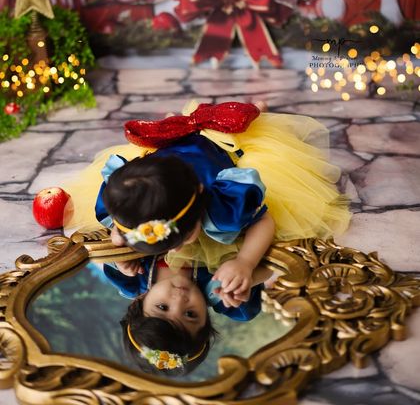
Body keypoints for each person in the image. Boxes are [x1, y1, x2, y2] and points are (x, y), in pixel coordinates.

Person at [64, 100, 351, 302]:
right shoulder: (122, 191)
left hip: (223, 148)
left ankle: (257, 110)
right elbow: (118, 229)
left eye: (178, 243)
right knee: (174, 134)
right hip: (163, 160)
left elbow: (264, 220)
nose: (177, 251)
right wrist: (123, 255)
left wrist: (245, 262)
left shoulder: (224, 203)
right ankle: (179, 123)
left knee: (244, 129)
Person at [102, 252, 272, 375]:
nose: (179, 300)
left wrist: (121, 259)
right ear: (206, 321)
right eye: (190, 314)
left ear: (139, 301)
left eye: (162, 307)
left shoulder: (133, 277)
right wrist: (245, 279)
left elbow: (108, 244)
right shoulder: (219, 291)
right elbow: (270, 267)